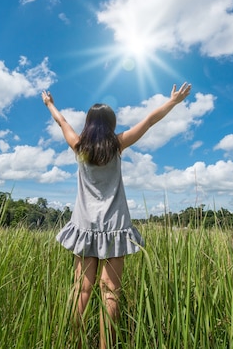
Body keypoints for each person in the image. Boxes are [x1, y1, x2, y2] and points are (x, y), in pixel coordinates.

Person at [42, 82, 192, 348]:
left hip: (85, 224)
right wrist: (173, 102)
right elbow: (148, 121)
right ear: (111, 124)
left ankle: (75, 342)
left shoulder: (78, 145)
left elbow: (61, 120)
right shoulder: (117, 144)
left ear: (88, 124)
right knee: (111, 293)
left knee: (81, 289)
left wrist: (49, 103)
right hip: (115, 225)